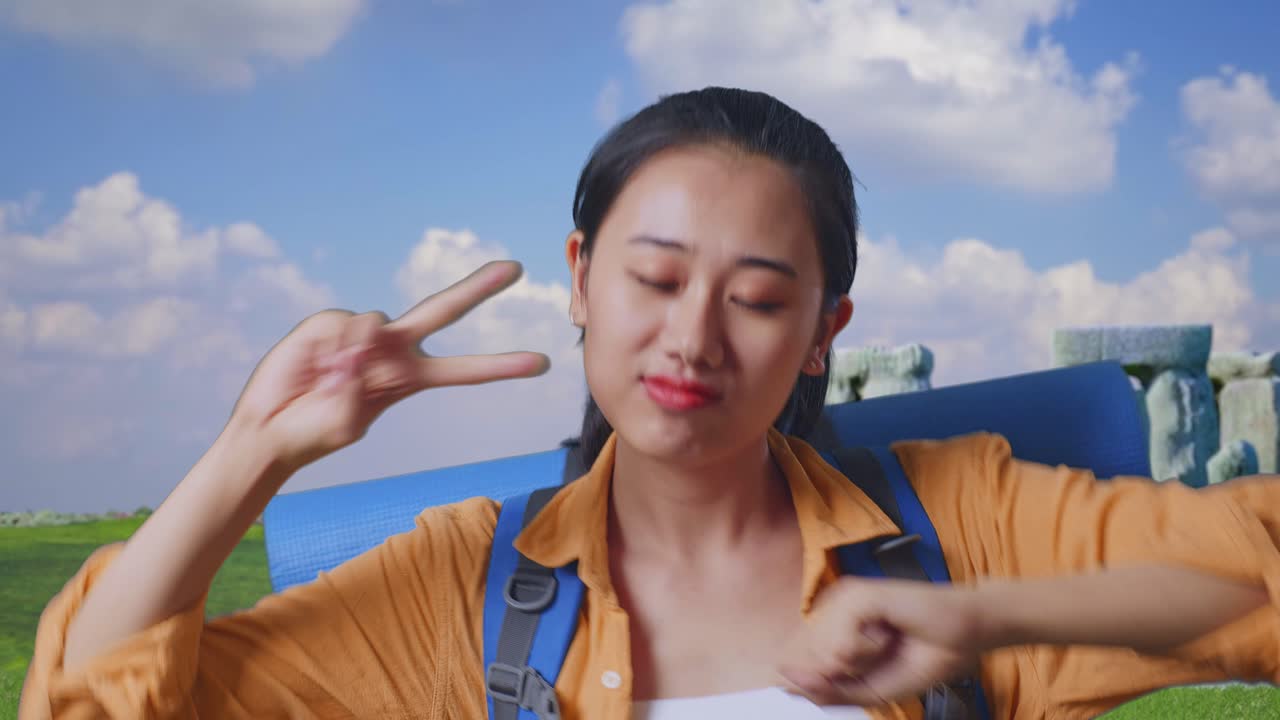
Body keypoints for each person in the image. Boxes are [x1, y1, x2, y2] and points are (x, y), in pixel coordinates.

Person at [17, 87, 1280, 720]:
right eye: (655, 277)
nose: (690, 337)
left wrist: (980, 616)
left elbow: (1250, 584)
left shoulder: (961, 517)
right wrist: (252, 450)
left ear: (819, 337)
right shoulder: (466, 586)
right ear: (579, 281)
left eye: (757, 298)